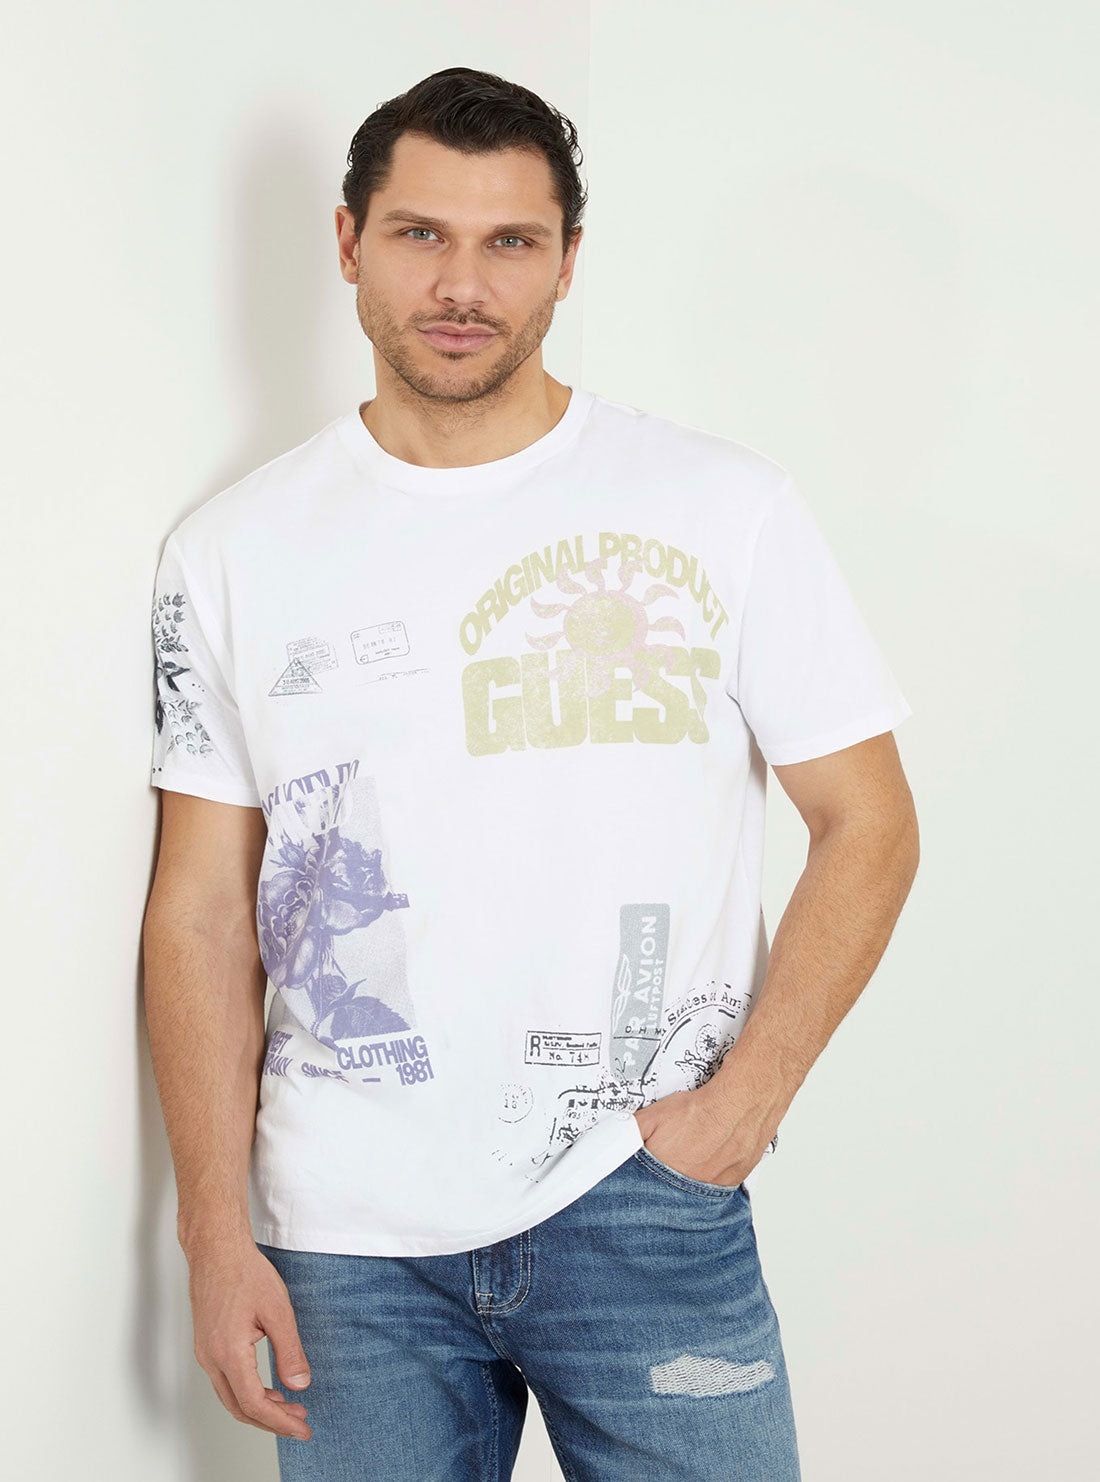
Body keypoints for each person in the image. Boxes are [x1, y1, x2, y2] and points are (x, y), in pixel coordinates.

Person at [142, 65, 919, 1482]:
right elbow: (198, 906)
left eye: (510, 241)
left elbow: (867, 822)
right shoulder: (232, 550)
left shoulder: (720, 506)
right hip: (344, 1237)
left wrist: (740, 1108)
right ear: (347, 243)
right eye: (420, 234)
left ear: (567, 261)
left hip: (641, 1195)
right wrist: (211, 1227)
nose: (463, 284)